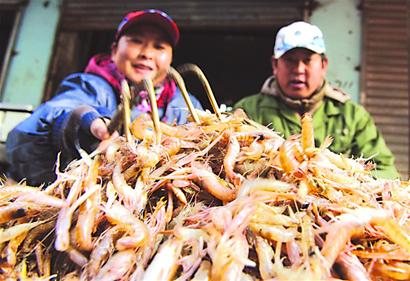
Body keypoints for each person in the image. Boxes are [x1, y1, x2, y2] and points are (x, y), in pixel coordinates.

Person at [6, 9, 203, 186]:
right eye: (136, 41)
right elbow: (51, 116)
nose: (147, 53)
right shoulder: (91, 86)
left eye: (159, 46)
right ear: (115, 50)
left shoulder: (186, 104)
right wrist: (81, 123)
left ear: (170, 58)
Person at [233, 21, 400, 179]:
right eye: (290, 60)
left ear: (323, 65)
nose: (298, 70)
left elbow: (386, 170)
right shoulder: (248, 111)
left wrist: (345, 179)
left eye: (307, 60)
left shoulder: (352, 116)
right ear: (275, 64)